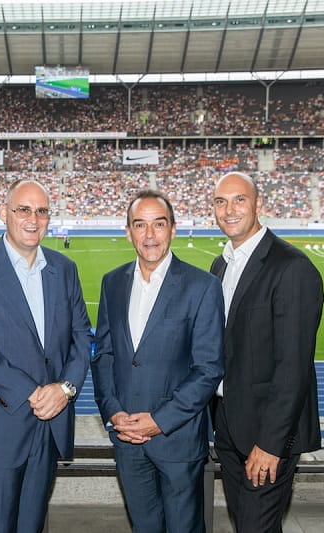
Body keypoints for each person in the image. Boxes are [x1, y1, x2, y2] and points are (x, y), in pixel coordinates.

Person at [0, 178, 91, 533]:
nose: (33, 219)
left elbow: (81, 337)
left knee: (32, 524)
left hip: (50, 422)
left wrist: (66, 389)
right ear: (4, 214)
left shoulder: (65, 269)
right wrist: (34, 393)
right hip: (0, 422)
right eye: (23, 210)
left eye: (41, 211)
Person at [91, 190, 225, 532]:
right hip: (126, 439)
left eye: (158, 224)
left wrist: (160, 420)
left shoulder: (203, 286)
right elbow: (104, 354)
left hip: (177, 440)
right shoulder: (112, 283)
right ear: (128, 232)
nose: (150, 235)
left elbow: (208, 368)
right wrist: (113, 411)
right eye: (140, 225)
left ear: (173, 230)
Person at [210, 172, 324, 533]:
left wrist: (271, 444)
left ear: (259, 204)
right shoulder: (220, 265)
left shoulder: (291, 267)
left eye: (239, 200)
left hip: (266, 434)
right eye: (220, 201)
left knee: (254, 527)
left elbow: (294, 367)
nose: (229, 210)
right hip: (228, 425)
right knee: (250, 524)